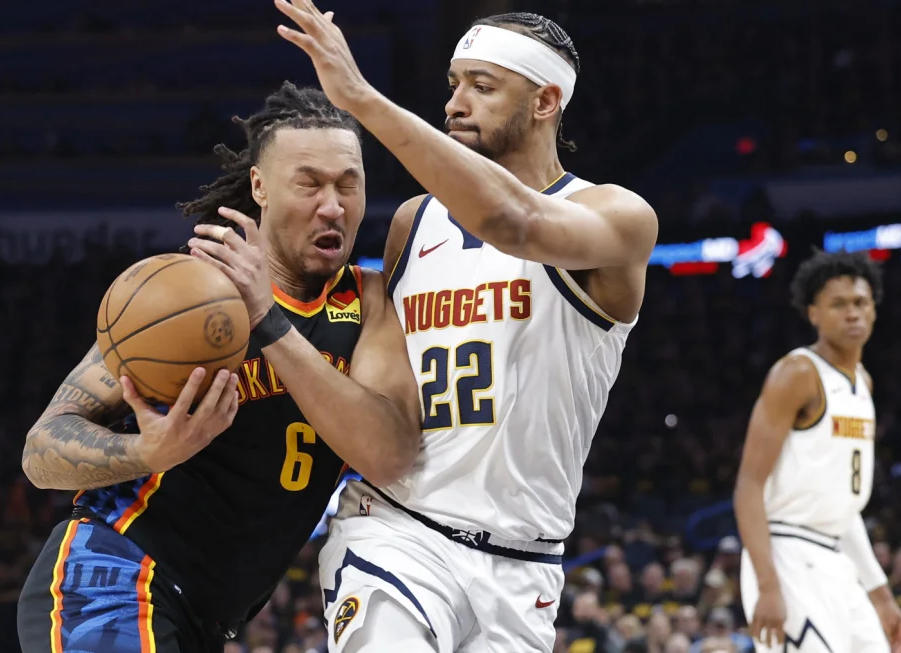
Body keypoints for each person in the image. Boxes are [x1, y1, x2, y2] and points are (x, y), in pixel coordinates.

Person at [276, 4, 658, 651]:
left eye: (482, 86)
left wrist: (361, 99)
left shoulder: (614, 217)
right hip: (396, 528)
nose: (455, 103)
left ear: (544, 101)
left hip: (523, 562)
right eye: (453, 83)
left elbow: (513, 223)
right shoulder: (412, 224)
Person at [15, 83, 421, 653]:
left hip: (207, 617)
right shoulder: (192, 291)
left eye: (347, 184)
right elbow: (41, 451)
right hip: (114, 575)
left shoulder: (371, 302)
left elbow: (390, 453)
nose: (333, 205)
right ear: (259, 186)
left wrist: (270, 321)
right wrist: (147, 453)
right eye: (309, 183)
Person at [732, 251, 901, 653]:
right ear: (814, 313)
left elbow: (842, 510)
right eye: (839, 304)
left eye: (861, 303)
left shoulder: (862, 383)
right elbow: (748, 485)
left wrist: (880, 595)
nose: (853, 313)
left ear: (874, 310)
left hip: (835, 557)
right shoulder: (797, 373)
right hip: (786, 553)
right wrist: (768, 584)